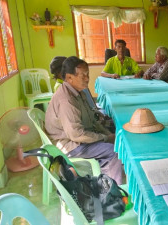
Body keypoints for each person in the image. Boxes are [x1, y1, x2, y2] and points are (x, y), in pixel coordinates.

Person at [45, 56, 123, 184]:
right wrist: (105, 137)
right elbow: (77, 135)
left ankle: (110, 175)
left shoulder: (78, 91)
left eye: (88, 74)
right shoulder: (66, 100)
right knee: (113, 152)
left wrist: (108, 135)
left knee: (113, 136)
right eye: (83, 76)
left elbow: (92, 120)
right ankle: (112, 192)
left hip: (75, 138)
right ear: (70, 77)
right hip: (70, 145)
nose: (87, 79)